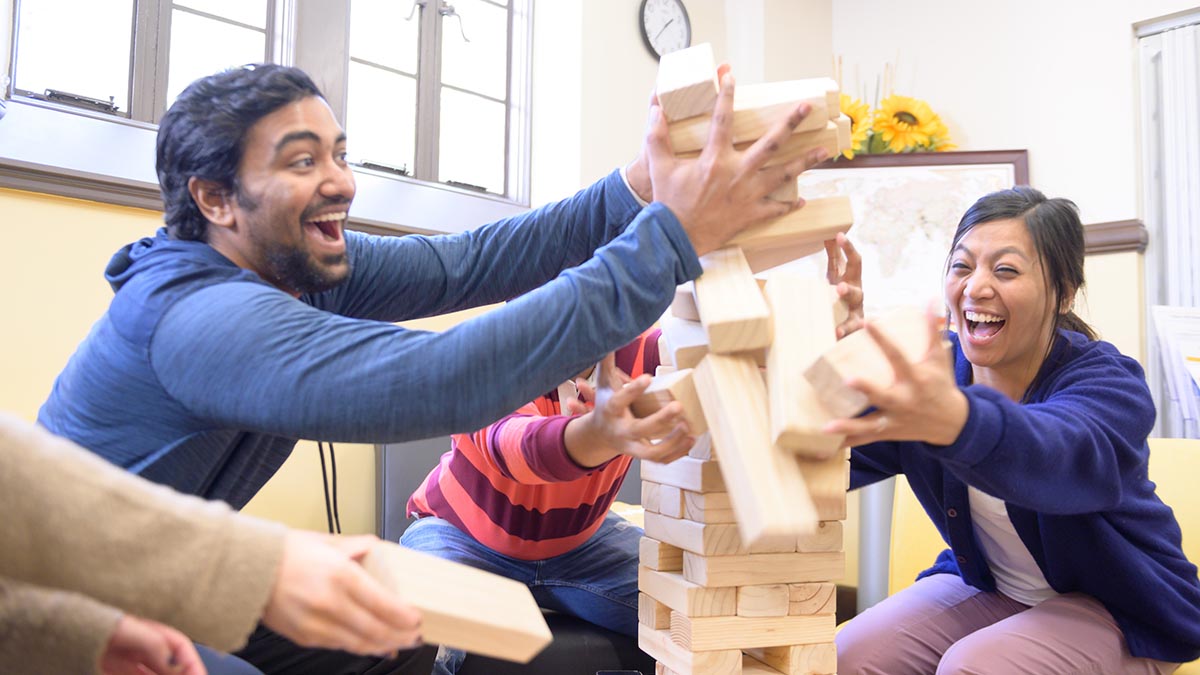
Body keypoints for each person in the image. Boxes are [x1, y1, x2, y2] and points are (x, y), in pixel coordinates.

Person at [36, 63, 827, 674]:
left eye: (339, 154)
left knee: (385, 628)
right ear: (215, 198)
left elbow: (466, 263)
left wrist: (638, 192)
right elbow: (448, 377)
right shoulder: (198, 318)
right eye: (302, 160)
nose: (340, 181)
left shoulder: (294, 265)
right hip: (61, 600)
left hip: (174, 564)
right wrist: (670, 237)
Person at [402, 234, 863, 674]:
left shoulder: (641, 353)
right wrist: (593, 433)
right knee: (423, 631)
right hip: (460, 536)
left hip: (579, 545)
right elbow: (515, 447)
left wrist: (820, 332)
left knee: (707, 616)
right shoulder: (487, 356)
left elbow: (736, 364)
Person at [828, 187, 1200, 674]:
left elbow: (1059, 453)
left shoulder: (1108, 380)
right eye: (962, 267)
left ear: (1063, 293)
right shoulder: (934, 368)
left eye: (1005, 270)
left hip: (1122, 604)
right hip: (996, 587)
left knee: (975, 667)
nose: (976, 287)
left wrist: (957, 420)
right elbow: (838, 455)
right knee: (847, 656)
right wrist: (840, 359)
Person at [0, 412, 425, 674]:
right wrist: (268, 562)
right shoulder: (198, 312)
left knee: (394, 642)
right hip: (115, 583)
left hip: (88, 599)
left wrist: (79, 632)